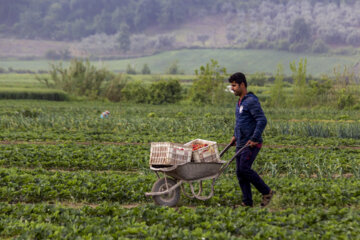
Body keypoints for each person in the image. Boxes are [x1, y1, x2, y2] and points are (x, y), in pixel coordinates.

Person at [228, 72, 274, 207]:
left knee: (244, 168)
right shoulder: (240, 102)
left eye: (234, 85)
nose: (232, 88)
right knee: (240, 173)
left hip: (251, 143)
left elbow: (262, 120)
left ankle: (267, 192)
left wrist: (254, 138)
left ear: (242, 85)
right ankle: (247, 202)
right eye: (231, 85)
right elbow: (240, 122)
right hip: (241, 142)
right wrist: (235, 135)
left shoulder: (251, 101)